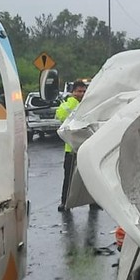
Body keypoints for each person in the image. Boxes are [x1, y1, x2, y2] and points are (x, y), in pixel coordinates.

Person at [56, 80, 87, 212]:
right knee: (69, 178)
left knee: (89, 177)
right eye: (79, 91)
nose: (81, 93)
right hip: (72, 149)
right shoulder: (70, 104)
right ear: (73, 92)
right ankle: (65, 202)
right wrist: (74, 103)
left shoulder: (89, 104)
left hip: (86, 147)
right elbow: (60, 115)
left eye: (84, 91)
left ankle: (93, 202)